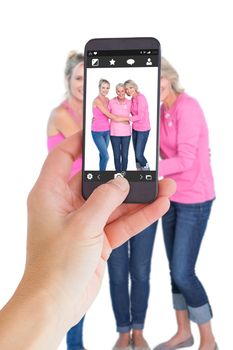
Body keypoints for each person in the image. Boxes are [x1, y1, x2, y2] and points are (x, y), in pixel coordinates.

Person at [0, 133, 176, 350]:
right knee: (117, 274)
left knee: (140, 271)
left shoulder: (141, 118)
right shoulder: (83, 118)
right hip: (92, 205)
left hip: (139, 195)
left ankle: (138, 331)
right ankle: (123, 331)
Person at [153, 58, 217, 350]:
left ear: (169, 77)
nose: (157, 85)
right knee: (174, 270)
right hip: (172, 195)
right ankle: (183, 333)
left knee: (183, 271)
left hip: (195, 199)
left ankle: (209, 338)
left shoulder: (187, 107)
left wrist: (152, 169)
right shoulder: (161, 109)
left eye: (160, 78)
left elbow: (187, 160)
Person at [47, 51, 85, 350]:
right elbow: (95, 148)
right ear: (68, 80)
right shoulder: (62, 114)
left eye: (88, 78)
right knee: (71, 280)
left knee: (82, 280)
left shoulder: (94, 112)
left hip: (83, 199)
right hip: (65, 202)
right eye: (78, 78)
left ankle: (76, 344)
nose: (83, 84)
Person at [92, 79, 129, 170]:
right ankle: (102, 176)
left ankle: (100, 174)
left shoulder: (108, 100)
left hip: (107, 131)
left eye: (107, 88)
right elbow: (109, 115)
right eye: (103, 87)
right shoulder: (97, 101)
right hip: (97, 132)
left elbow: (112, 111)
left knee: (102, 155)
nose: (105, 90)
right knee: (106, 156)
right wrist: (127, 119)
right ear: (99, 88)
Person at [124, 79, 150, 171]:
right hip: (135, 128)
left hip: (143, 129)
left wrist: (126, 119)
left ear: (134, 87)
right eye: (126, 89)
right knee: (136, 154)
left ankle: (147, 172)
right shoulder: (132, 99)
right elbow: (127, 111)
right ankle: (139, 172)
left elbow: (140, 116)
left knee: (139, 154)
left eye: (130, 87)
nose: (129, 90)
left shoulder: (141, 98)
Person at [108, 83, 132, 172]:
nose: (120, 93)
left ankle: (124, 173)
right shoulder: (111, 102)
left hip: (126, 133)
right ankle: (118, 173)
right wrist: (95, 117)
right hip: (114, 133)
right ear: (116, 92)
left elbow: (135, 116)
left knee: (125, 155)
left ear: (125, 91)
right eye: (118, 91)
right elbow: (107, 114)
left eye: (122, 91)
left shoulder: (130, 102)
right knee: (116, 155)